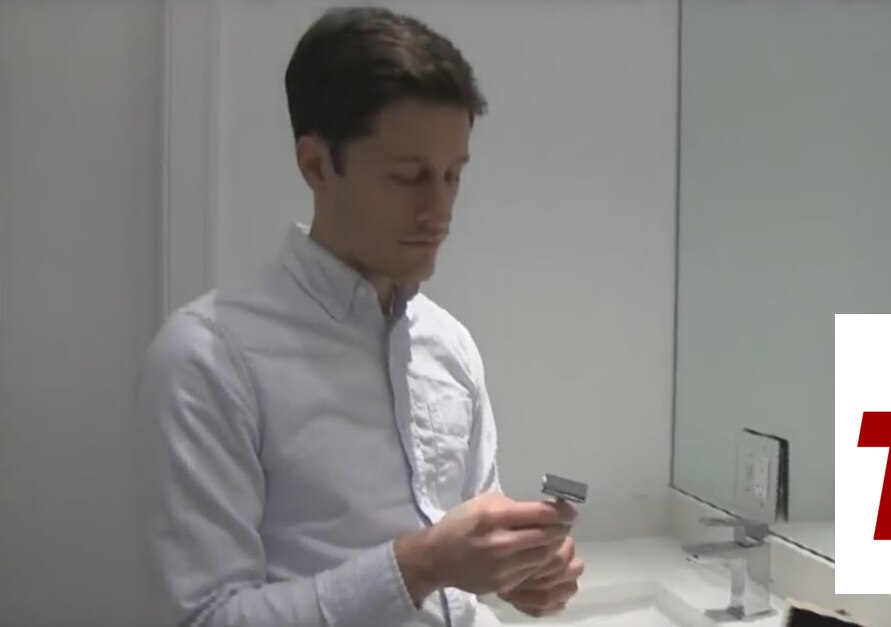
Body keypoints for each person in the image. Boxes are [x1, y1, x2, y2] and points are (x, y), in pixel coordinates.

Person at [136, 7, 583, 626]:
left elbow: (468, 562)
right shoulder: (206, 361)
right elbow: (208, 619)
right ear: (317, 166)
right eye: (409, 177)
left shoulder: (450, 346)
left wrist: (519, 572)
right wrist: (423, 565)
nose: (439, 210)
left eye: (452, 176)